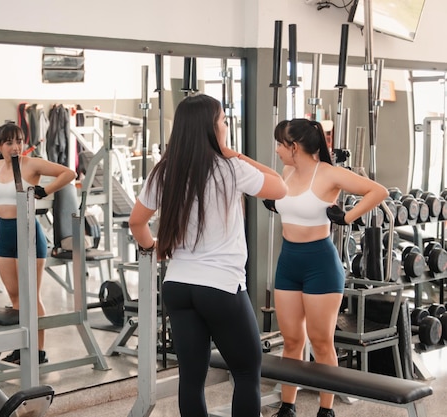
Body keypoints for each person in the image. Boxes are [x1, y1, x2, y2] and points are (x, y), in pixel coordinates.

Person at [129, 94, 288, 417]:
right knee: (246, 373)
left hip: (178, 286)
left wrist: (154, 249)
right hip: (220, 287)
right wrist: (236, 155)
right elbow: (280, 186)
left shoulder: (164, 172)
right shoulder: (229, 168)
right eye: (224, 121)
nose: (226, 126)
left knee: (191, 378)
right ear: (211, 128)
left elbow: (137, 222)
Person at [266, 119, 388, 417]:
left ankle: (325, 409)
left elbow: (378, 191)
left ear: (294, 147)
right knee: (292, 340)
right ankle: (287, 405)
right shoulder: (286, 171)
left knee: (321, 341)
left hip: (320, 264)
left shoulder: (329, 174)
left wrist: (347, 217)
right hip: (288, 263)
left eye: (280, 144)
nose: (277, 149)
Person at [0, 123, 76, 365]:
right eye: (9, 143)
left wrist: (44, 191)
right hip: (4, 235)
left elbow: (69, 173)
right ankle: (23, 347)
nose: (16, 147)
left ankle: (38, 352)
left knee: (30, 296)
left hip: (28, 233)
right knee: (15, 296)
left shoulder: (31, 164)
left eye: (19, 141)